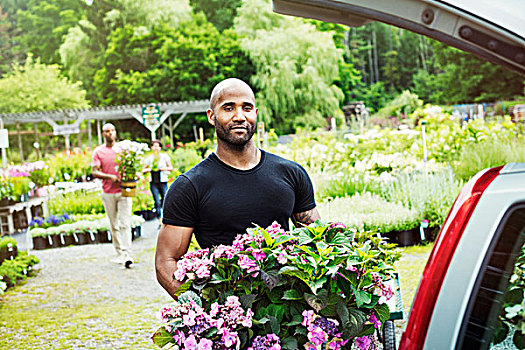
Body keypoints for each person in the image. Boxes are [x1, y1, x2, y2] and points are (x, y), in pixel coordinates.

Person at [155, 78, 321, 298]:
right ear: (211, 116)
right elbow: (166, 262)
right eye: (228, 108)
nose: (240, 116)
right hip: (228, 312)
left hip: (286, 313)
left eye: (247, 108)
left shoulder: (291, 173)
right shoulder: (190, 186)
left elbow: (318, 242)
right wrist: (209, 314)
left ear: (255, 113)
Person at [91, 123, 134, 268]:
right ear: (103, 134)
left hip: (124, 191)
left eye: (112, 131)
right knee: (114, 225)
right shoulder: (98, 151)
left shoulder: (123, 149)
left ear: (115, 132)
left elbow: (131, 166)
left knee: (125, 223)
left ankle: (127, 253)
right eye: (107, 131)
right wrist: (109, 177)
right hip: (108, 192)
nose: (110, 133)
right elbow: (94, 172)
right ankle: (120, 252)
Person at [142, 140, 173, 226]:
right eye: (154, 146)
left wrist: (163, 169)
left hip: (163, 180)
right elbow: (143, 170)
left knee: (166, 199)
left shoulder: (164, 156)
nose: (156, 148)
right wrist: (149, 169)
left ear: (160, 147)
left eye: (157, 146)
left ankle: (168, 218)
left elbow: (171, 168)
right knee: (157, 202)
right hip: (153, 182)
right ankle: (160, 220)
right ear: (151, 147)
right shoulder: (149, 158)